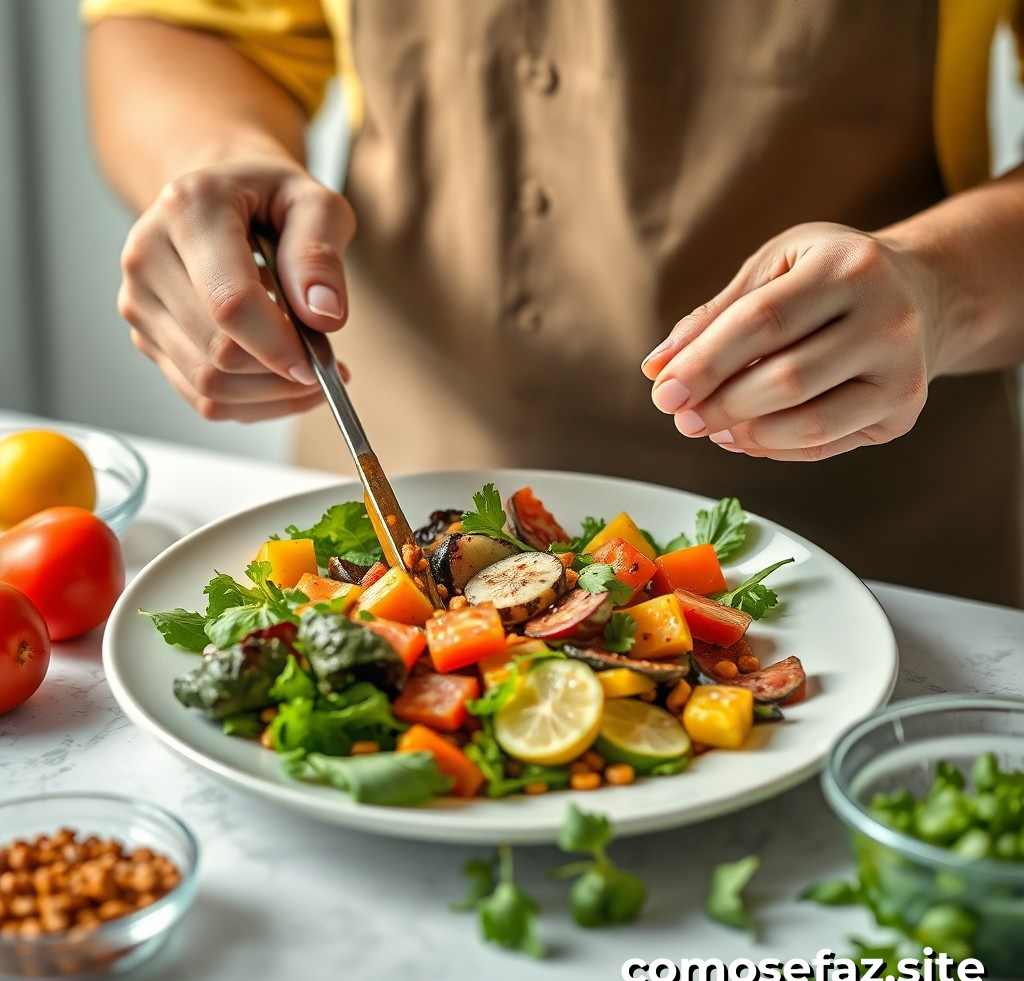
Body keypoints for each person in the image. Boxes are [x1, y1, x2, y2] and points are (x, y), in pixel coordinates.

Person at [81, 0, 1024, 606]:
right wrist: (210, 166)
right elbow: (182, 22)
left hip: (875, 549)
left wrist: (937, 285)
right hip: (396, 476)